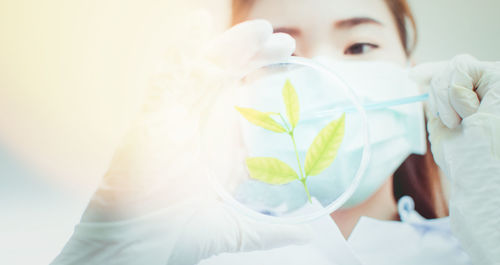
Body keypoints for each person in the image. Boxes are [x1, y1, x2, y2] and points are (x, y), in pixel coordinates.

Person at [51, 0, 500, 264]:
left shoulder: (474, 249)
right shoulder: (178, 249)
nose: (325, 73)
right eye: (279, 57)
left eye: (360, 45)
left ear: (412, 74)